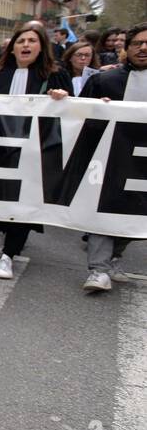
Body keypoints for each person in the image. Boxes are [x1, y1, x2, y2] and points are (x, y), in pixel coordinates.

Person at [0, 22, 73, 279]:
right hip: (0, 149)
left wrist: (63, 98)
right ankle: (0, 225)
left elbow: (72, 112)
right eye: (21, 41)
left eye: (32, 41)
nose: (26, 45)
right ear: (12, 47)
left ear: (42, 47)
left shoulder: (55, 75)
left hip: (34, 151)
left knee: (26, 201)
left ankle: (8, 255)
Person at [79, 22, 147, 291]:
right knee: (104, 211)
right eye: (137, 43)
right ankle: (98, 269)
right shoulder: (104, 80)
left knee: (137, 216)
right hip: (110, 162)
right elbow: (79, 116)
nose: (143, 48)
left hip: (143, 166)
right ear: (126, 49)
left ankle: (115, 256)